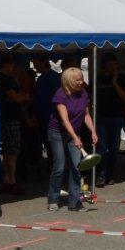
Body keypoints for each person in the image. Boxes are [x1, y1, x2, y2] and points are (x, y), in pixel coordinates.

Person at [47, 67, 97, 211]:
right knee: (59, 166)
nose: (81, 82)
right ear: (69, 81)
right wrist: (75, 137)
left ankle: (75, 202)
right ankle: (53, 198)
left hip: (74, 132)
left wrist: (93, 131)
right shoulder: (60, 95)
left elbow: (86, 114)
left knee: (76, 166)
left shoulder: (83, 93)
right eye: (78, 80)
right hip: (57, 133)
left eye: (82, 79)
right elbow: (64, 120)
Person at [94, 54, 125, 186]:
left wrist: (115, 82)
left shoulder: (122, 79)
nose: (114, 67)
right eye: (111, 64)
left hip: (117, 117)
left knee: (114, 149)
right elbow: (91, 98)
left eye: (115, 64)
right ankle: (101, 175)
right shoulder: (98, 78)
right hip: (102, 118)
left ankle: (110, 175)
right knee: (102, 148)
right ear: (104, 65)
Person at [0, 54, 29, 195]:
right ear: (5, 65)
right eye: (11, 64)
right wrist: (23, 96)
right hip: (9, 118)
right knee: (12, 151)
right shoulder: (3, 80)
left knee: (9, 150)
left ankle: (8, 180)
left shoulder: (9, 79)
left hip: (11, 117)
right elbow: (15, 97)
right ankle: (11, 181)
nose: (13, 67)